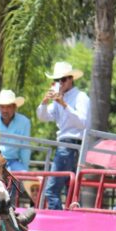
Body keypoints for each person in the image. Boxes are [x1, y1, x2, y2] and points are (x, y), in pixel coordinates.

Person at [36, 61, 90, 209]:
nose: (60, 83)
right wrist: (44, 102)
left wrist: (63, 104)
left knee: (52, 190)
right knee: (71, 191)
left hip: (71, 144)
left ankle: (57, 219)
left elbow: (83, 123)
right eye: (57, 80)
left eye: (63, 79)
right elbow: (42, 117)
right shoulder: (59, 100)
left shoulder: (81, 97)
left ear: (71, 79)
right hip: (68, 146)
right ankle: (72, 220)